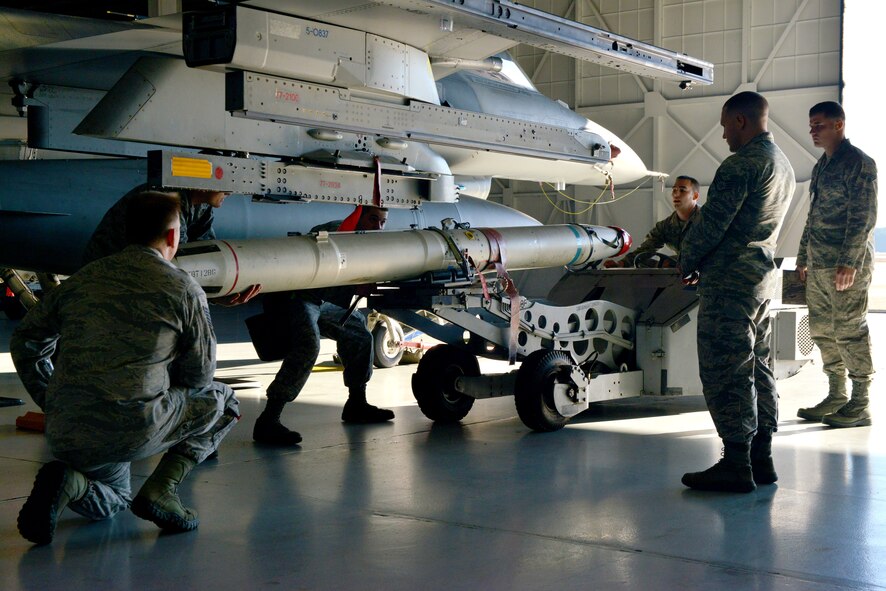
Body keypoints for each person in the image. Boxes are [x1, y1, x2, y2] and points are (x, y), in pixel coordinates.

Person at [12, 192, 241, 544]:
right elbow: (199, 378)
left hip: (68, 428)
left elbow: (25, 341)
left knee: (115, 498)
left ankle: (70, 483)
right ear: (172, 237)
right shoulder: (183, 289)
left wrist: (51, 400)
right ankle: (161, 489)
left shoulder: (84, 279)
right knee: (223, 399)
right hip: (133, 427)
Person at [678, 91, 796, 493]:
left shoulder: (741, 164)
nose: (724, 134)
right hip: (762, 280)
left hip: (730, 282)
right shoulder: (782, 164)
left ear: (742, 121)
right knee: (758, 367)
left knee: (726, 369)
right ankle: (761, 458)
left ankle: (736, 463)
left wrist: (686, 261)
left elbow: (711, 226)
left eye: (726, 125)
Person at [252, 204, 395, 446]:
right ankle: (268, 419)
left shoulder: (367, 241)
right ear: (358, 216)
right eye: (373, 219)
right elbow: (319, 267)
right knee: (308, 345)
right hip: (300, 295)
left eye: (382, 222)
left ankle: (356, 404)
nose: (378, 227)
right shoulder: (335, 231)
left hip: (322, 300)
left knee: (359, 334)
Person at [795, 102, 878, 428]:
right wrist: (803, 257)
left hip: (846, 266)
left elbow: (864, 217)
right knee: (822, 330)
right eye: (812, 125)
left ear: (839, 125)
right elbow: (813, 218)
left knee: (849, 330)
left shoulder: (859, 164)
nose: (813, 130)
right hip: (819, 264)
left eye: (820, 125)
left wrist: (849, 262)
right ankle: (837, 394)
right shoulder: (822, 166)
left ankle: (860, 404)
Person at [83, 183, 261, 305]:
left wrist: (218, 293)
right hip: (111, 285)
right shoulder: (166, 200)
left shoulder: (200, 207)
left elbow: (206, 254)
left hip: (135, 285)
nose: (230, 192)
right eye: (226, 184)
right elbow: (179, 267)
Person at [603, 176, 701, 268]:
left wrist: (673, 262)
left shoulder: (708, 219)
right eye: (674, 190)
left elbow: (707, 253)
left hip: (709, 271)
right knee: (640, 261)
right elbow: (646, 249)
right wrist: (622, 264)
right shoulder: (666, 226)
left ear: (695, 196)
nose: (676, 194)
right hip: (684, 272)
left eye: (682, 190)